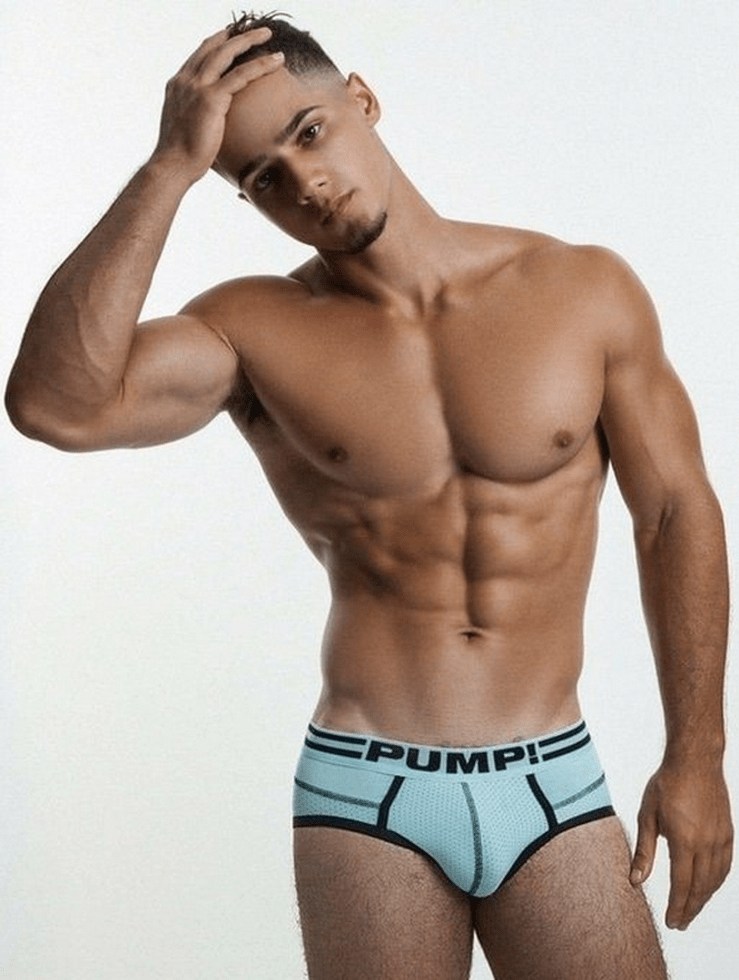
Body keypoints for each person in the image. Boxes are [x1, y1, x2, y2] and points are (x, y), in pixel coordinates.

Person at [5, 12, 732, 979]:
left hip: (553, 774)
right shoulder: (250, 330)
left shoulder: (579, 289)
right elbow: (55, 405)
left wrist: (696, 755)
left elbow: (673, 511)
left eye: (309, 132)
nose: (304, 183)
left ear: (362, 99)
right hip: (367, 792)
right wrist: (168, 169)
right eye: (262, 178)